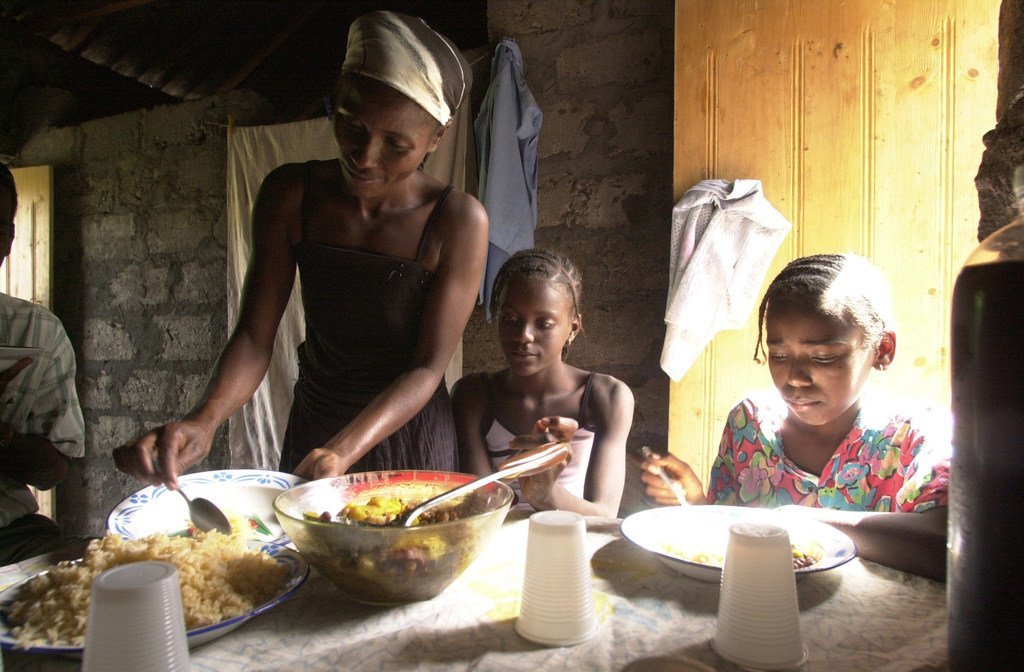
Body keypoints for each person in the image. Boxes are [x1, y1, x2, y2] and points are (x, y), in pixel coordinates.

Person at [114, 11, 488, 488]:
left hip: (408, 434)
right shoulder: (292, 195)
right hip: (317, 423)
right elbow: (254, 337)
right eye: (351, 124)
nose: (363, 156)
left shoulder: (457, 221)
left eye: (396, 144)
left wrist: (343, 449)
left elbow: (428, 367)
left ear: (438, 137)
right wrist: (203, 421)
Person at [641, 253, 950, 580]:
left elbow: (949, 545)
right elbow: (727, 543)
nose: (795, 378)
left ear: (882, 350)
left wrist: (792, 522)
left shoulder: (917, 436)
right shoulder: (751, 425)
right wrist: (695, 504)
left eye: (823, 357)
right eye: (778, 355)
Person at [452, 249, 635, 518]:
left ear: (573, 328)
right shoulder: (474, 395)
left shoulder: (605, 397)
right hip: (497, 537)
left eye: (544, 324)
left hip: (573, 536)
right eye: (510, 319)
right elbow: (480, 509)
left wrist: (546, 494)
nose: (524, 335)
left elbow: (605, 515)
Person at [0, 162, 87, 565]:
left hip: (9, 534)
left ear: (9, 239)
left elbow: (52, 472)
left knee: (101, 566)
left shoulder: (35, 333)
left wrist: (2, 434)